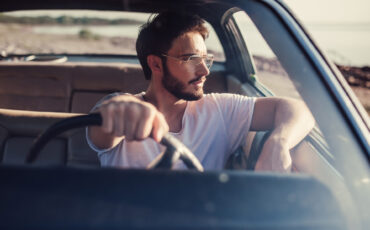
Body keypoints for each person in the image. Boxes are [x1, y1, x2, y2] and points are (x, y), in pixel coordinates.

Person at [87, 12, 315, 172]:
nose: (205, 70)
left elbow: (298, 108)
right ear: (156, 65)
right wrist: (120, 107)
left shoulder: (220, 110)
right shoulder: (122, 112)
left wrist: (278, 142)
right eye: (191, 59)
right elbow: (108, 118)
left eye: (205, 59)